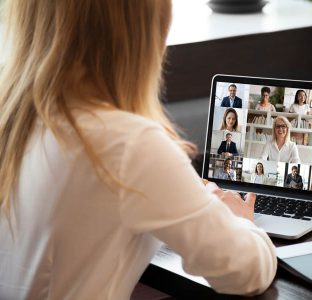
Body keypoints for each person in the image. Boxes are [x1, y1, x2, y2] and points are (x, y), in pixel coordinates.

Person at [0, 1, 277, 298]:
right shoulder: (127, 144)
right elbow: (244, 272)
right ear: (143, 28)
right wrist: (238, 221)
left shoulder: (14, 118)